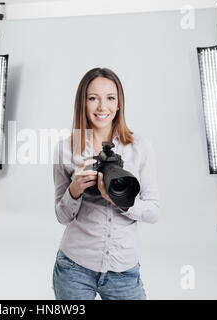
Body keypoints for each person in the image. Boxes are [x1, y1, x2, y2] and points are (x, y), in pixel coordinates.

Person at [52, 67, 159, 300]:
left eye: (110, 98)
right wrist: (74, 191)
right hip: (74, 268)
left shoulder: (140, 147)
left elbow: (153, 212)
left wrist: (121, 201)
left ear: (119, 103)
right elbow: (61, 216)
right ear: (83, 102)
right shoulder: (64, 149)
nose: (102, 107)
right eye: (93, 98)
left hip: (124, 272)